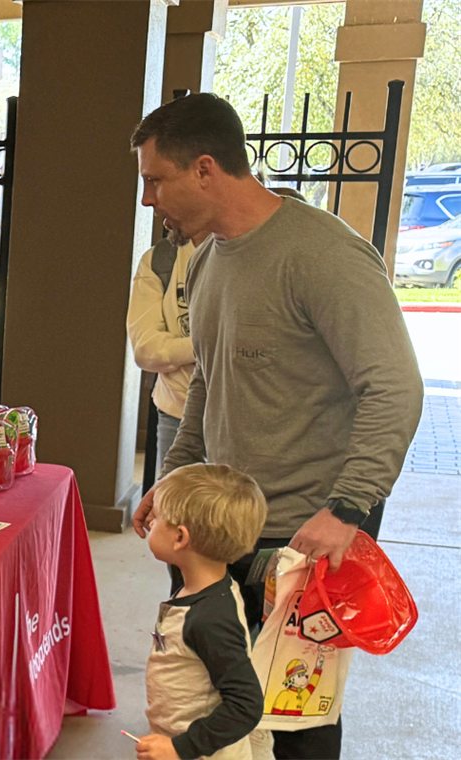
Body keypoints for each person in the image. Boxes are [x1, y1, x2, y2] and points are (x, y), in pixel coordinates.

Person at [129, 93, 423, 760]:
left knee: (295, 716)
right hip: (220, 525)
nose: (149, 200)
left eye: (155, 180)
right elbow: (210, 379)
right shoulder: (206, 259)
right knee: (222, 700)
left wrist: (348, 508)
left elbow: (395, 388)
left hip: (308, 530)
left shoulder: (324, 255)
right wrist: (176, 479)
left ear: (204, 169)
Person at [137, 463, 267, 760]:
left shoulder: (210, 619)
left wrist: (181, 747)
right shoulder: (206, 589)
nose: (150, 523)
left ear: (181, 538)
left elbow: (246, 705)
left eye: (156, 519)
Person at [127, 227, 203, 480]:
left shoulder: (248, 256)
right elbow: (147, 351)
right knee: (175, 511)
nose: (150, 200)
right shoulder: (162, 259)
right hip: (176, 414)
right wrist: (206, 345)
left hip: (244, 423)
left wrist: (179, 348)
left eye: (158, 184)